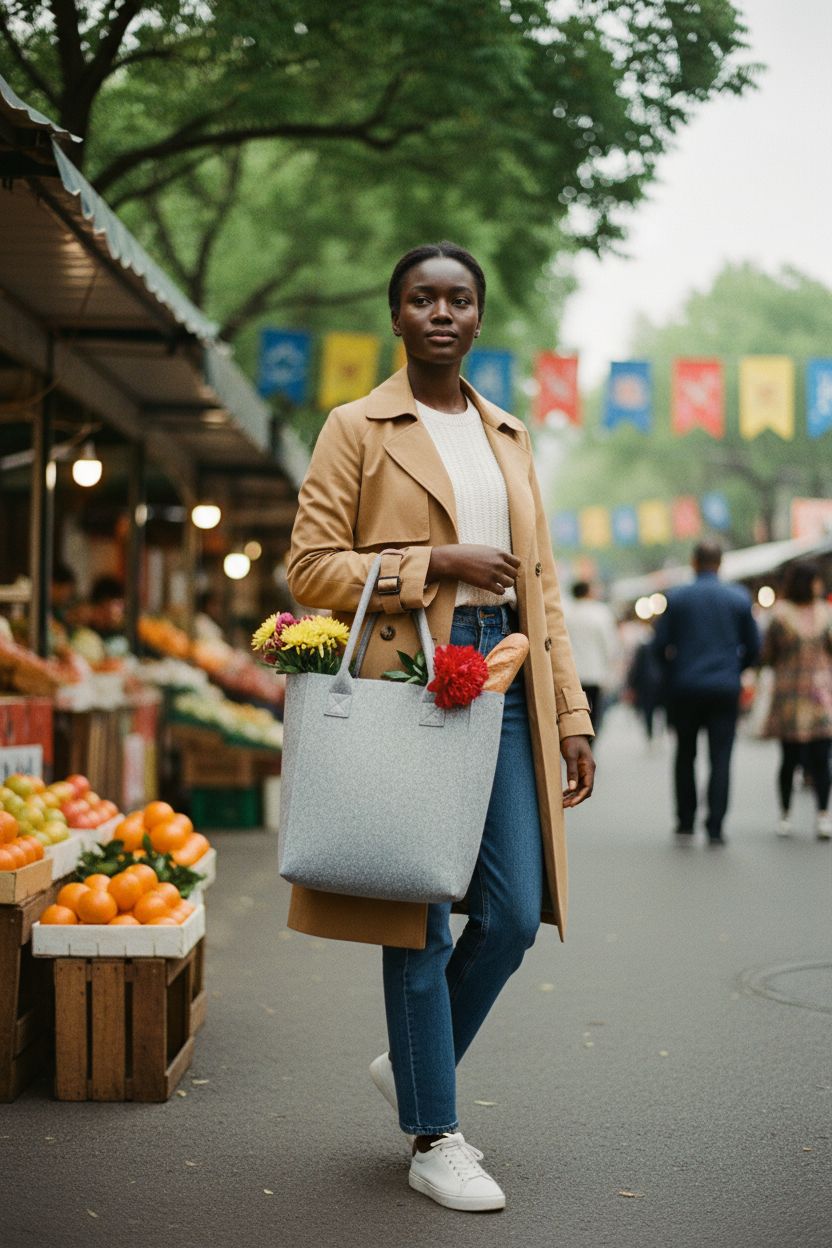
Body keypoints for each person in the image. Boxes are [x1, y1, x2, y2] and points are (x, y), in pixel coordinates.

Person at [285, 242, 595, 1212]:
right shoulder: (356, 426)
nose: (440, 313)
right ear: (397, 316)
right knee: (415, 909)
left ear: (478, 316)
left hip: (503, 676)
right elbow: (308, 568)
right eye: (421, 298)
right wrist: (435, 559)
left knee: (508, 913)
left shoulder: (507, 436)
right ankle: (434, 1133)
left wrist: (571, 712)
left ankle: (418, 1062)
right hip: (405, 677)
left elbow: (538, 585)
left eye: (458, 299)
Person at [653, 541, 760, 844]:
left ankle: (686, 822)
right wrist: (736, 670)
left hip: (685, 687)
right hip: (725, 688)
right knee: (721, 757)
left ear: (694, 562)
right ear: (721, 563)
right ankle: (715, 826)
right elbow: (754, 646)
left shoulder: (677, 598)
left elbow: (659, 646)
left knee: (685, 754)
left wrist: (673, 672)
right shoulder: (738, 598)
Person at [761, 561, 832, 840]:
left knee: (820, 758)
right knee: (791, 758)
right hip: (793, 694)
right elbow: (767, 653)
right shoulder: (781, 615)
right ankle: (786, 812)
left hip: (818, 695)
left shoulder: (824, 613)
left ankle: (822, 814)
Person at [562, 580, 618, 732]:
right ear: (589, 592)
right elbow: (609, 644)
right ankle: (590, 740)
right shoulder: (600, 612)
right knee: (594, 711)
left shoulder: (566, 613)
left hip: (572, 672)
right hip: (595, 672)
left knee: (574, 710)